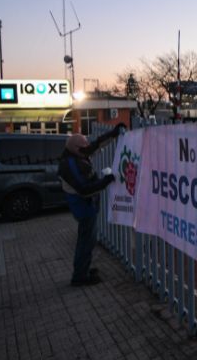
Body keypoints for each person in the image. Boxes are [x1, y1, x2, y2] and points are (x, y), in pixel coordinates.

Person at [58, 123, 125, 286]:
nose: (88, 150)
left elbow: (95, 145)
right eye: (84, 148)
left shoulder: (76, 155)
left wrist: (112, 133)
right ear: (77, 149)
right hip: (83, 208)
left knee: (89, 239)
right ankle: (80, 276)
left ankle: (84, 269)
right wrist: (105, 182)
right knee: (85, 241)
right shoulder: (70, 165)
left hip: (87, 206)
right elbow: (84, 190)